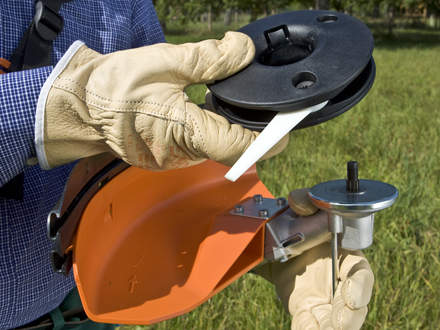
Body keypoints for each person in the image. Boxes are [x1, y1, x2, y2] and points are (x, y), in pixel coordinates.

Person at [0, 1, 373, 329]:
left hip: (82, 310)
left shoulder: (122, 6)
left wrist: (270, 237)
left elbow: (149, 175)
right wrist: (49, 111)